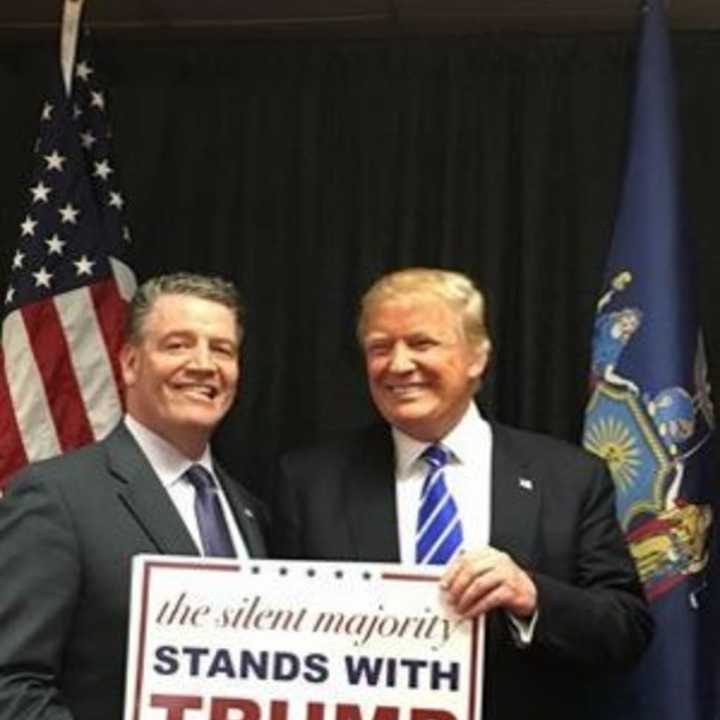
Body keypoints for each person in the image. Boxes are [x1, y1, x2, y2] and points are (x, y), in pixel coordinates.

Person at [271, 267, 653, 720]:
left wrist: (531, 596)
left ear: (477, 356)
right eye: (379, 347)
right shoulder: (309, 484)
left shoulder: (567, 478)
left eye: (421, 343)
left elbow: (626, 629)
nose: (397, 364)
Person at [0, 272, 267, 720]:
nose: (203, 364)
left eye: (221, 349)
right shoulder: (55, 497)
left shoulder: (250, 512)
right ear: (129, 363)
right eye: (177, 345)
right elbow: (11, 686)